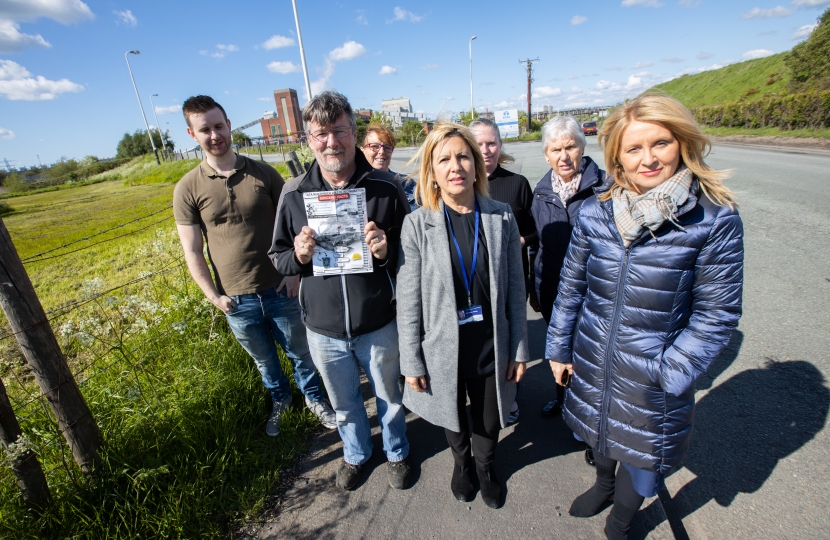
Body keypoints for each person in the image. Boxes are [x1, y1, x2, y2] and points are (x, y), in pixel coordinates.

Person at [546, 93, 744, 539]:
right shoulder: (597, 211)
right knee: (598, 438)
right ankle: (601, 485)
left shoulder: (712, 218)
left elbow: (717, 313)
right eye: (634, 148)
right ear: (616, 154)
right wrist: (558, 348)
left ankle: (621, 519)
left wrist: (669, 372)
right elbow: (572, 287)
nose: (648, 158)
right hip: (593, 358)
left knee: (640, 456)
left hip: (652, 372)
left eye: (661, 143)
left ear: (683, 143)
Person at [269, 91, 412, 491]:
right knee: (345, 404)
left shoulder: (386, 187)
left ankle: (397, 452)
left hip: (378, 320)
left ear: (353, 133)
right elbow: (277, 256)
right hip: (323, 328)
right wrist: (297, 256)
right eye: (320, 134)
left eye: (339, 131)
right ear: (308, 139)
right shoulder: (294, 193)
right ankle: (356, 454)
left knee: (389, 397)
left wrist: (386, 251)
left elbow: (412, 253)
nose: (331, 142)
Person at [173, 95, 336, 438]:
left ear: (229, 125)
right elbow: (192, 251)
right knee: (265, 362)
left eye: (219, 126)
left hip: (280, 288)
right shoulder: (187, 188)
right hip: (236, 300)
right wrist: (213, 297)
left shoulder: (264, 174)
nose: (215, 135)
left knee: (301, 353)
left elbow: (297, 225)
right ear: (192, 134)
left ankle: (315, 399)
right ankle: (281, 401)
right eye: (205, 130)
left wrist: (293, 273)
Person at [397, 123, 529, 509]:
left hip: (491, 344)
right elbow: (408, 300)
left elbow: (516, 289)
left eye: (463, 156)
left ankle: (486, 466)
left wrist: (519, 348)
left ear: (476, 165)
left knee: (489, 419)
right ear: (432, 173)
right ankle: (462, 465)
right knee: (451, 415)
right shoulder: (416, 224)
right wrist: (411, 361)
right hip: (443, 348)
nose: (455, 166)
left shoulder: (501, 217)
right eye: (444, 159)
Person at [531, 115, 606, 467]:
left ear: (583, 147)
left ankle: (593, 430)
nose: (564, 155)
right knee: (560, 351)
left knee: (592, 362)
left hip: (593, 295)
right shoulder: (541, 192)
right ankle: (562, 400)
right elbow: (538, 246)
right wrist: (536, 287)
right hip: (553, 292)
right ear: (546, 154)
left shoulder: (604, 188)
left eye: (570, 146)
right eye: (556, 149)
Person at [469, 117, 536, 426]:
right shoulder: (460, 185)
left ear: (500, 145)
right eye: (479, 144)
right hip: (473, 286)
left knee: (510, 343)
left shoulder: (516, 184)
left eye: (491, 143)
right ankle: (479, 400)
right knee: (477, 344)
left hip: (510, 280)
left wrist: (514, 241)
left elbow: (536, 233)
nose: (486, 150)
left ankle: (509, 400)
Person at [361, 123, 418, 213]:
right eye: (375, 146)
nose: (382, 152)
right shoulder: (355, 187)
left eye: (387, 147)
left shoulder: (408, 185)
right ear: (362, 150)